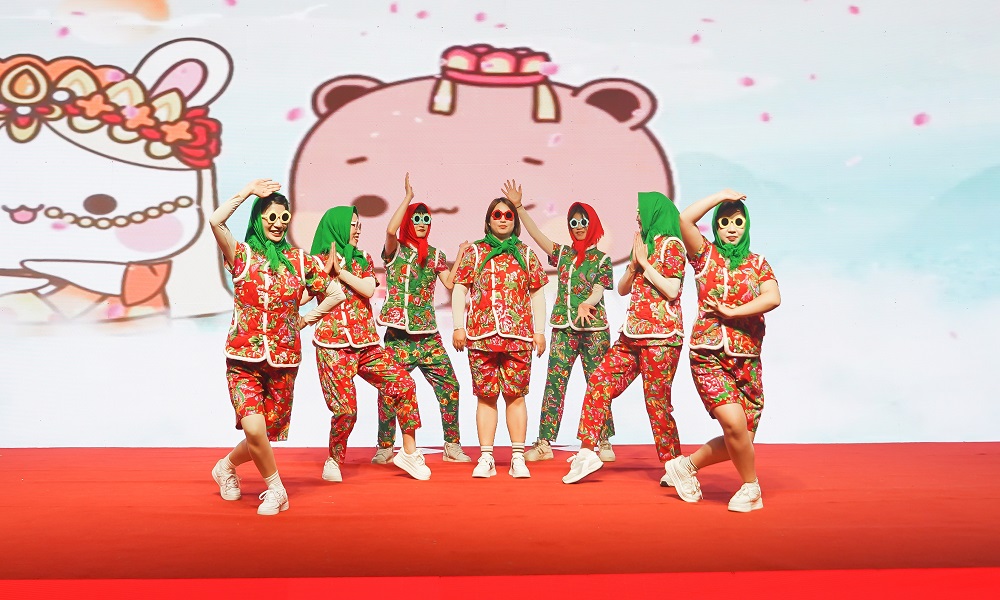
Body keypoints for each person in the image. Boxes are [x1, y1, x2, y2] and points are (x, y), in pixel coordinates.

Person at [208, 179, 346, 516]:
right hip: (243, 358)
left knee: (264, 435)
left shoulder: (299, 261)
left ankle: (225, 467)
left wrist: (305, 319)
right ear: (259, 218)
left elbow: (334, 293)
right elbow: (216, 221)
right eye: (271, 216)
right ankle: (276, 489)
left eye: (284, 217)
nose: (278, 223)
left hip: (283, 361)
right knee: (254, 428)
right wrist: (247, 192)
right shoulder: (241, 255)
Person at [661, 189, 780, 512]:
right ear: (716, 225)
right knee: (734, 426)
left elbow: (772, 297)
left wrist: (733, 311)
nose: (731, 228)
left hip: (747, 360)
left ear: (746, 225)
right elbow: (684, 220)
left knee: (742, 440)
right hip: (708, 355)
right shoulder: (704, 255)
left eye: (738, 221)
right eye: (724, 221)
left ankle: (685, 466)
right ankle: (751, 487)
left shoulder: (758, 263)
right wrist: (720, 196)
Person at [562, 191, 686, 484]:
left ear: (656, 212)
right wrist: (633, 265)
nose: (637, 216)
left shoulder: (673, 245)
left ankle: (674, 465)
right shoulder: (643, 244)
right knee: (599, 382)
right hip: (631, 335)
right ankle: (587, 451)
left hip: (661, 338)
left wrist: (646, 263)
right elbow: (622, 289)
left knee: (657, 404)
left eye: (641, 211)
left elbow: (672, 290)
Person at [309, 205, 431, 482]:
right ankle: (334, 459)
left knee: (404, 384)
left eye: (359, 224)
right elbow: (304, 296)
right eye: (352, 224)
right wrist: (325, 274)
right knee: (346, 411)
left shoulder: (362, 257)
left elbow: (366, 289)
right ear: (337, 226)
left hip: (366, 344)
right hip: (332, 346)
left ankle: (409, 453)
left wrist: (340, 272)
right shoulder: (315, 262)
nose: (358, 229)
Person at [506, 191, 616, 463]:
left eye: (583, 222)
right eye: (573, 223)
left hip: (593, 331)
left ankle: (603, 439)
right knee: (554, 384)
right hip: (563, 330)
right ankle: (544, 443)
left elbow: (598, 290)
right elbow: (538, 237)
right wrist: (519, 208)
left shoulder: (602, 260)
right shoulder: (563, 255)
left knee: (598, 385)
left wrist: (587, 303)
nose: (578, 227)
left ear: (593, 224)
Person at [451, 182, 549, 478]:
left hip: (518, 336)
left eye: (508, 215)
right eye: (497, 214)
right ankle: (486, 458)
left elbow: (537, 293)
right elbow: (460, 288)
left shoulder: (526, 253)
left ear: (514, 220)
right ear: (488, 219)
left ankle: (517, 457)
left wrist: (540, 331)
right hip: (481, 336)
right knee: (485, 396)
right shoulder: (474, 252)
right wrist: (458, 327)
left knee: (516, 396)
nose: (503, 219)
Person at [373, 173, 471, 464]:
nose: (422, 223)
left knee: (450, 386)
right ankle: (385, 446)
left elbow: (450, 283)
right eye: (417, 219)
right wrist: (408, 198)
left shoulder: (436, 254)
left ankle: (452, 445)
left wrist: (460, 254)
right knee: (389, 390)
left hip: (427, 336)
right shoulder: (396, 251)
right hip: (398, 337)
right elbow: (390, 230)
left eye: (426, 219)